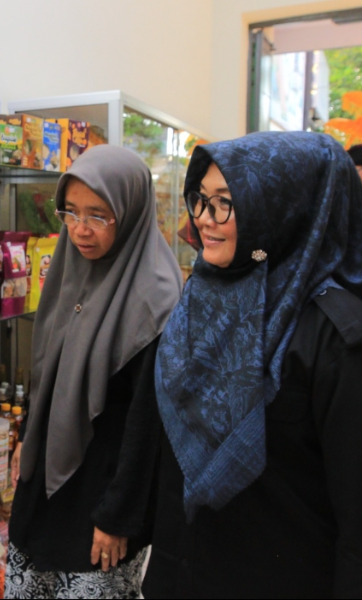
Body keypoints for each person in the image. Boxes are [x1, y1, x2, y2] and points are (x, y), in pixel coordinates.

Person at [145, 132, 362, 598]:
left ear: (285, 209)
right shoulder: (202, 297)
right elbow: (171, 457)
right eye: (200, 200)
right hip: (188, 572)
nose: (204, 218)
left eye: (226, 202)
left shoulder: (335, 337)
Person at [6, 145, 183, 599]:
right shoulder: (71, 268)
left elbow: (148, 425)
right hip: (44, 483)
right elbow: (46, 367)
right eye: (70, 212)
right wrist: (26, 436)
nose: (80, 230)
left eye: (99, 216)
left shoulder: (156, 297)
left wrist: (119, 515)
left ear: (131, 212)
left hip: (99, 498)